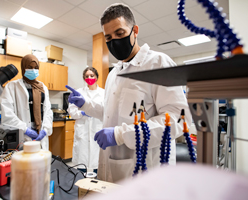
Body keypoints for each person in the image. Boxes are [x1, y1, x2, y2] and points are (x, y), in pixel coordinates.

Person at [66, 3, 192, 183]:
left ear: (135, 31)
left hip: (146, 171)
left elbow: (177, 120)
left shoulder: (158, 63)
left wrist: (120, 134)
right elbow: (110, 112)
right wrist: (85, 104)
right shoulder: (114, 73)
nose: (114, 41)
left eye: (120, 33)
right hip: (111, 166)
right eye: (108, 37)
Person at [0, 54, 53, 151]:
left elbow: (48, 111)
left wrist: (45, 130)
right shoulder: (12, 86)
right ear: (23, 68)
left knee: (40, 162)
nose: (33, 70)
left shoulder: (43, 87)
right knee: (25, 164)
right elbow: (7, 114)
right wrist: (25, 129)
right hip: (23, 133)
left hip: (40, 131)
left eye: (36, 68)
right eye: (29, 67)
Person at [67, 67, 104, 174]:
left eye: (92, 75)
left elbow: (106, 112)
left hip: (97, 128)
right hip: (82, 131)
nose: (89, 78)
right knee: (81, 162)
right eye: (87, 76)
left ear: (96, 77)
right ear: (84, 78)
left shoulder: (103, 93)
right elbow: (72, 112)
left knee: (97, 161)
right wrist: (82, 113)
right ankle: (81, 183)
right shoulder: (78, 92)